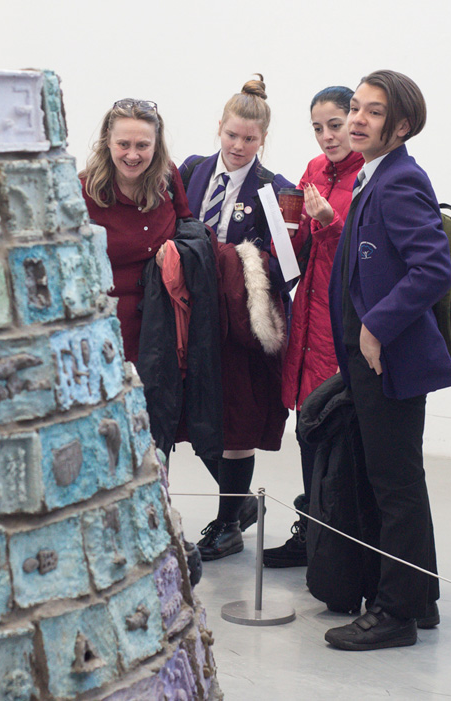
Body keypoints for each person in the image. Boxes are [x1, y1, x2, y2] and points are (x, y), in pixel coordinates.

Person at [323, 70, 451, 651]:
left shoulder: (399, 180)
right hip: (372, 357)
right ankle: (418, 597)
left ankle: (396, 613)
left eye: (372, 112)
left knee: (393, 484)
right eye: (355, 107)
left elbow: (434, 268)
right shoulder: (375, 176)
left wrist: (376, 326)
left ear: (401, 126)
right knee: (400, 478)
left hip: (388, 359)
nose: (356, 119)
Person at [178, 75, 292, 561]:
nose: (239, 145)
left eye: (250, 138)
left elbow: (285, 265)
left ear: (263, 139)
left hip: (240, 322)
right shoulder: (191, 171)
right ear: (218, 129)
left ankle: (228, 523)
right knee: (191, 411)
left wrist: (228, 257)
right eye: (232, 135)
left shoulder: (275, 189)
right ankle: (240, 504)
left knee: (237, 419)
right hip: (190, 313)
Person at [262, 86, 365, 568]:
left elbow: (367, 255)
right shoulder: (315, 171)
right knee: (308, 425)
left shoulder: (369, 176)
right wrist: (287, 231)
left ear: (357, 121)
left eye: (335, 125)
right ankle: (312, 532)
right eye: (318, 128)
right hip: (309, 315)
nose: (327, 136)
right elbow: (302, 245)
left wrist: (329, 222)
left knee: (337, 430)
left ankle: (339, 540)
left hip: (343, 318)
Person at [80, 98, 192, 365]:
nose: (132, 155)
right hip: (104, 332)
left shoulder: (167, 178)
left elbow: (187, 225)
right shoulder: (83, 191)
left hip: (162, 330)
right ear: (108, 141)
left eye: (142, 145)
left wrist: (178, 254)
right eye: (123, 144)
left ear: (156, 145)